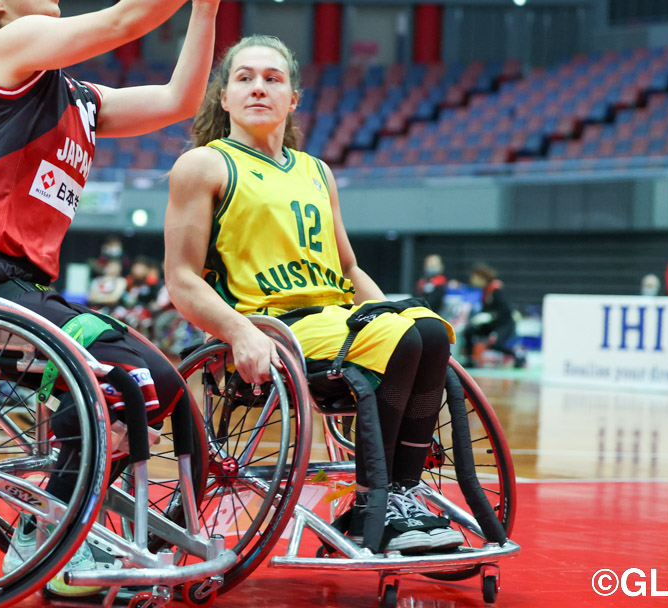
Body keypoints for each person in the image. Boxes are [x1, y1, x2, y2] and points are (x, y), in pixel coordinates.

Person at [0, 0, 289, 594]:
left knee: (157, 381)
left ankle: (53, 525)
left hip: (25, 289)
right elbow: (124, 22)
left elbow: (183, 100)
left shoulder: (79, 96)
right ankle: (55, 534)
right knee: (124, 381)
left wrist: (205, 3)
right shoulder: (10, 52)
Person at [164, 35, 463, 554]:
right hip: (274, 327)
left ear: (292, 99)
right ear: (224, 97)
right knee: (404, 340)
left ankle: (401, 492)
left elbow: (347, 266)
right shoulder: (204, 166)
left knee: (431, 331)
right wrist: (238, 332)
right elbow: (181, 277)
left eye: (273, 79)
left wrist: (386, 310)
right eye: (245, 78)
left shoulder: (317, 171)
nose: (259, 87)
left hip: (336, 319)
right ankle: (373, 501)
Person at [461, 263, 524, 368]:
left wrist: (490, 316)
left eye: (474, 277)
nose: (472, 280)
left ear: (481, 277)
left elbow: (505, 310)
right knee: (469, 330)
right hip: (492, 324)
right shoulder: (485, 291)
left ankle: (518, 356)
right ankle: (469, 360)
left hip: (504, 324)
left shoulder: (496, 290)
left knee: (494, 343)